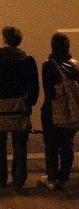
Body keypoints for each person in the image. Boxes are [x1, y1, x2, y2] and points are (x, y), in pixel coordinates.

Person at [0, 26, 40, 190]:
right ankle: (19, 179)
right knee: (20, 144)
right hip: (19, 107)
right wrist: (29, 104)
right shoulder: (28, 60)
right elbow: (34, 88)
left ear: (4, 39)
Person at [39, 32, 79, 190]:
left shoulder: (48, 65)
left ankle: (51, 178)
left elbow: (49, 93)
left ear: (52, 48)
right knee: (67, 145)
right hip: (72, 112)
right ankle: (63, 177)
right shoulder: (75, 64)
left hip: (53, 112)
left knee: (51, 146)